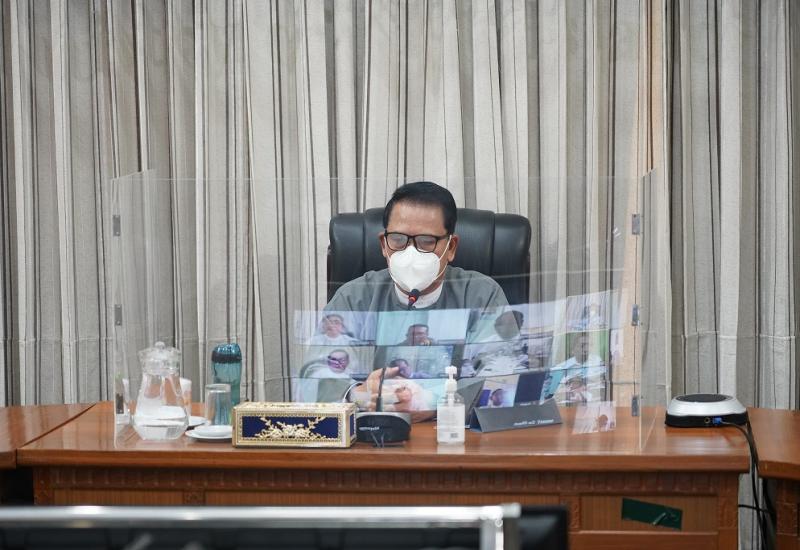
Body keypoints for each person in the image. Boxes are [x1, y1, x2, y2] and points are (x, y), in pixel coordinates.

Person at [327, 181, 508, 421]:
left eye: (426, 241)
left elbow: (502, 377)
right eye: (398, 239)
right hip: (373, 434)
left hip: (453, 433)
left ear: (451, 247)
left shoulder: (482, 295)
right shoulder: (354, 297)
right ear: (384, 245)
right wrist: (358, 395)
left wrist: (432, 402)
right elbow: (318, 375)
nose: (410, 252)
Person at [542, 332, 606, 405]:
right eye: (582, 345)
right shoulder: (560, 368)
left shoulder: (598, 363)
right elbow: (549, 395)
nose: (586, 349)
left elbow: (602, 389)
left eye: (590, 345)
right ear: (573, 349)